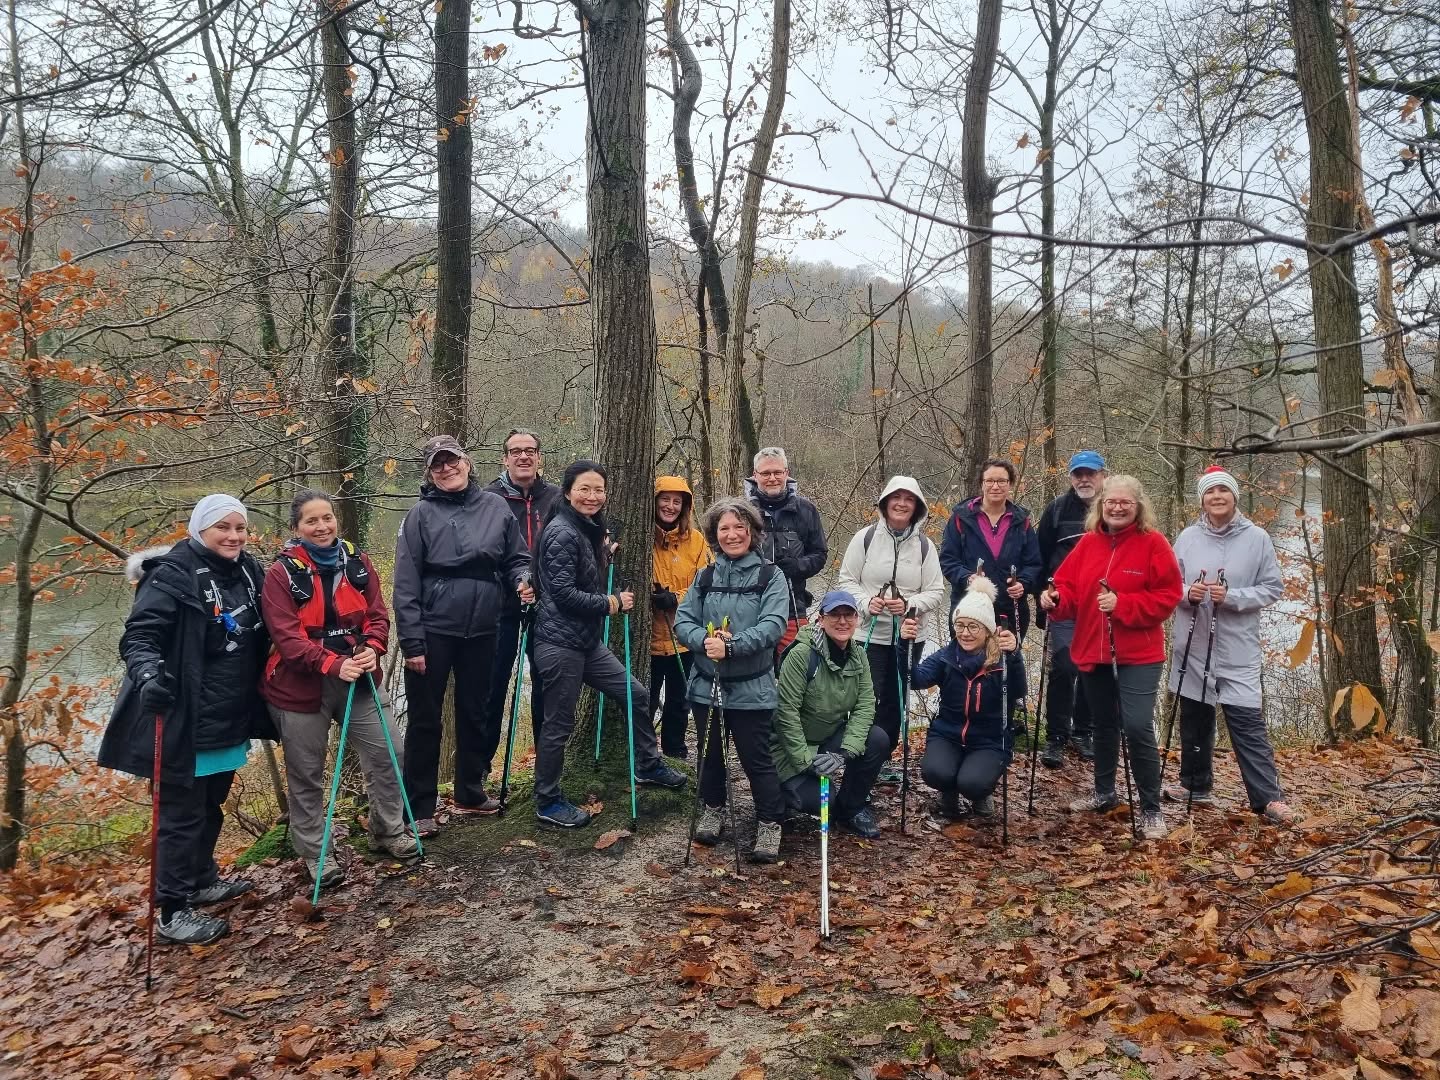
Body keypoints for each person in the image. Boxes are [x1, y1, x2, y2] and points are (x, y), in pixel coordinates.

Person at [99, 495, 270, 946]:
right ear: (199, 529)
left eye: (240, 528)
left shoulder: (249, 571)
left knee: (210, 804)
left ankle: (201, 879)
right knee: (179, 813)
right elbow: (139, 636)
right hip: (183, 717)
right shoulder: (171, 575)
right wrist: (149, 675)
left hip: (230, 715)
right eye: (223, 527)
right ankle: (172, 910)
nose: (233, 536)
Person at [260, 490, 420, 889]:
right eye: (311, 521)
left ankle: (388, 831)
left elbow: (379, 617)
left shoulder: (358, 563)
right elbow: (287, 638)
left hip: (359, 680)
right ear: (297, 528)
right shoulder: (281, 575)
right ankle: (316, 854)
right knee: (306, 773)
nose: (322, 526)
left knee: (389, 752)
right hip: (300, 687)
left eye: (327, 518)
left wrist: (372, 649)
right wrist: (333, 663)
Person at [531, 461, 687, 827]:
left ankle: (647, 765)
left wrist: (602, 555)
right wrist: (612, 603)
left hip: (585, 643)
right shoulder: (561, 533)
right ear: (568, 492)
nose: (592, 496)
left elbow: (580, 577)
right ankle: (547, 801)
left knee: (635, 694)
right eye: (584, 489)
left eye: (598, 489)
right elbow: (565, 595)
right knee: (558, 724)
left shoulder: (584, 530)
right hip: (558, 644)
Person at [392, 435, 534, 836]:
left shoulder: (494, 507)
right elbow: (404, 584)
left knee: (476, 710)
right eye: (438, 464)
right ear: (429, 472)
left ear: (467, 462)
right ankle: (418, 806)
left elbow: (516, 558)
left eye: (452, 460)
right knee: (424, 720)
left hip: (485, 626)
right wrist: (412, 642)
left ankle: (470, 791)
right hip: (434, 629)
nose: (446, 468)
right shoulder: (419, 515)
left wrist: (523, 579)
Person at [1040, 475, 1181, 841]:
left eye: (1125, 503)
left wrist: (1124, 605)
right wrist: (1054, 599)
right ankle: (1104, 792)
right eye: (1111, 502)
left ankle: (1150, 807)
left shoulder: (1154, 544)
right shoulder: (1089, 543)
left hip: (1138, 652)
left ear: (1138, 507)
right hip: (1093, 647)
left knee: (1135, 725)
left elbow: (1169, 595)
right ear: (1101, 506)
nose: (1117, 508)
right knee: (1102, 723)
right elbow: (1067, 585)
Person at [1167, 467, 1293, 824]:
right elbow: (1167, 585)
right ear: (1202, 500)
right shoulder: (1187, 537)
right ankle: (1195, 784)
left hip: (1237, 647)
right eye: (1210, 492)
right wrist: (1185, 593)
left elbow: (1272, 588)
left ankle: (1268, 798)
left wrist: (1234, 596)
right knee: (1194, 718)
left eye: (1223, 490)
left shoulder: (1257, 538)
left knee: (1246, 720)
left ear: (1235, 496)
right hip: (1192, 643)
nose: (1217, 497)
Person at [674, 497, 791, 862]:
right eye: (724, 528)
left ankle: (771, 822)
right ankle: (713, 808)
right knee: (709, 755)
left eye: (739, 526)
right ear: (714, 535)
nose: (732, 534)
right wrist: (705, 642)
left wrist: (734, 645)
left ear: (752, 532)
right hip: (706, 685)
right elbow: (683, 621)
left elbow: (773, 625)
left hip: (752, 687)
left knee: (756, 759)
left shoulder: (771, 576)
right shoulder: (705, 576)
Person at [836, 475, 945, 781]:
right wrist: (865, 602)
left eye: (908, 499)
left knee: (896, 699)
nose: (901, 503)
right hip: (866, 635)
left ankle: (882, 759)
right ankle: (860, 754)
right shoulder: (865, 538)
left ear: (917, 507)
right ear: (885, 503)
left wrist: (911, 604)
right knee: (864, 698)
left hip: (908, 636)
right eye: (895, 498)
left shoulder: (925, 547)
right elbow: (847, 580)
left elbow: (936, 591)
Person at [771, 591, 889, 838]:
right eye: (835, 614)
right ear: (821, 620)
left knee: (877, 738)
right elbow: (786, 713)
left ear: (858, 619)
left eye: (849, 615)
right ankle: (776, 794)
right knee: (825, 801)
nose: (842, 621)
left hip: (827, 741)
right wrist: (807, 762)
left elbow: (865, 707)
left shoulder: (858, 655)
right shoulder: (801, 655)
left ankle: (852, 810)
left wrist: (844, 753)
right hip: (790, 750)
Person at [483, 428, 563, 760]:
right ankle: (480, 768)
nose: (523, 456)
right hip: (500, 604)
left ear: (539, 457)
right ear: (505, 459)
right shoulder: (488, 499)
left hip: (546, 605)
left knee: (545, 681)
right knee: (492, 683)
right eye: (516, 451)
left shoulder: (557, 498)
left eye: (530, 450)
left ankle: (545, 762)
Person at [915, 577, 1024, 819]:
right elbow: (916, 680)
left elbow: (1019, 691)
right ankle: (948, 789)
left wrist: (1015, 656)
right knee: (934, 772)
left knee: (973, 783)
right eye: (960, 625)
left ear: (987, 630)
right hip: (948, 734)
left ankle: (980, 792)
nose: (965, 633)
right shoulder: (947, 656)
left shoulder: (1002, 660)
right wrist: (906, 645)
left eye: (973, 626)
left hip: (989, 741)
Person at [1036, 451, 1106, 768]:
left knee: (1093, 668)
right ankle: (1056, 737)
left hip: (1101, 606)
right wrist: (1041, 595)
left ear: (1103, 475)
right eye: (1078, 474)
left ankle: (1083, 732)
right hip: (1063, 603)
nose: (1084, 479)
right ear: (1071, 478)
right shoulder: (1056, 510)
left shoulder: (1114, 508)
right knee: (1064, 667)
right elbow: (1041, 556)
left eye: (1090, 473)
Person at [939, 458, 1044, 644]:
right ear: (982, 483)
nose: (995, 486)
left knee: (1006, 667)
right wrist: (967, 577)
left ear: (1010, 484)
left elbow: (1034, 563)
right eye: (990, 481)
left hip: (1010, 610)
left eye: (1002, 481)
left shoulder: (1022, 521)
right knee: (968, 667)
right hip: (968, 610)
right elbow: (948, 560)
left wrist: (1024, 583)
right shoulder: (960, 519)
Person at [743, 447, 827, 655]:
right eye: (765, 473)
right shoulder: (741, 511)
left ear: (786, 473)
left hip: (793, 608)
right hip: (750, 610)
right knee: (755, 675)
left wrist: (798, 566)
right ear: (755, 476)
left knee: (798, 671)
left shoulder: (806, 510)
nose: (772, 478)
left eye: (777, 472)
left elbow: (820, 554)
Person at [651, 475, 712, 759]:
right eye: (665, 499)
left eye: (677, 501)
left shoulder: (696, 541)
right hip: (648, 640)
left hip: (683, 637)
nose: (670, 506)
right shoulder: (643, 537)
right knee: (645, 699)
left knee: (679, 699)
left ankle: (675, 752)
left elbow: (706, 582)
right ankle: (644, 753)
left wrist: (675, 597)